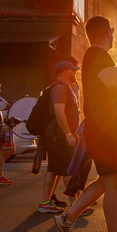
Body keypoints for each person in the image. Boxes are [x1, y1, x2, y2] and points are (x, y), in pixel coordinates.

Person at [55, 16, 117, 232]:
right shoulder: (97, 55)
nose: (113, 35)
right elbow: (112, 79)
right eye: (112, 31)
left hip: (105, 127)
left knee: (108, 181)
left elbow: (103, 94)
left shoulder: (95, 56)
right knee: (114, 182)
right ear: (108, 32)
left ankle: (68, 218)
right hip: (105, 131)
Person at [38, 61, 93, 217]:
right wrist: (68, 134)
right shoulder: (61, 88)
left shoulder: (63, 87)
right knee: (69, 169)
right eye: (72, 70)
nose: (75, 73)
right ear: (64, 72)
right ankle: (76, 205)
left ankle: (45, 203)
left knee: (53, 169)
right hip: (59, 136)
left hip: (57, 135)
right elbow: (59, 112)